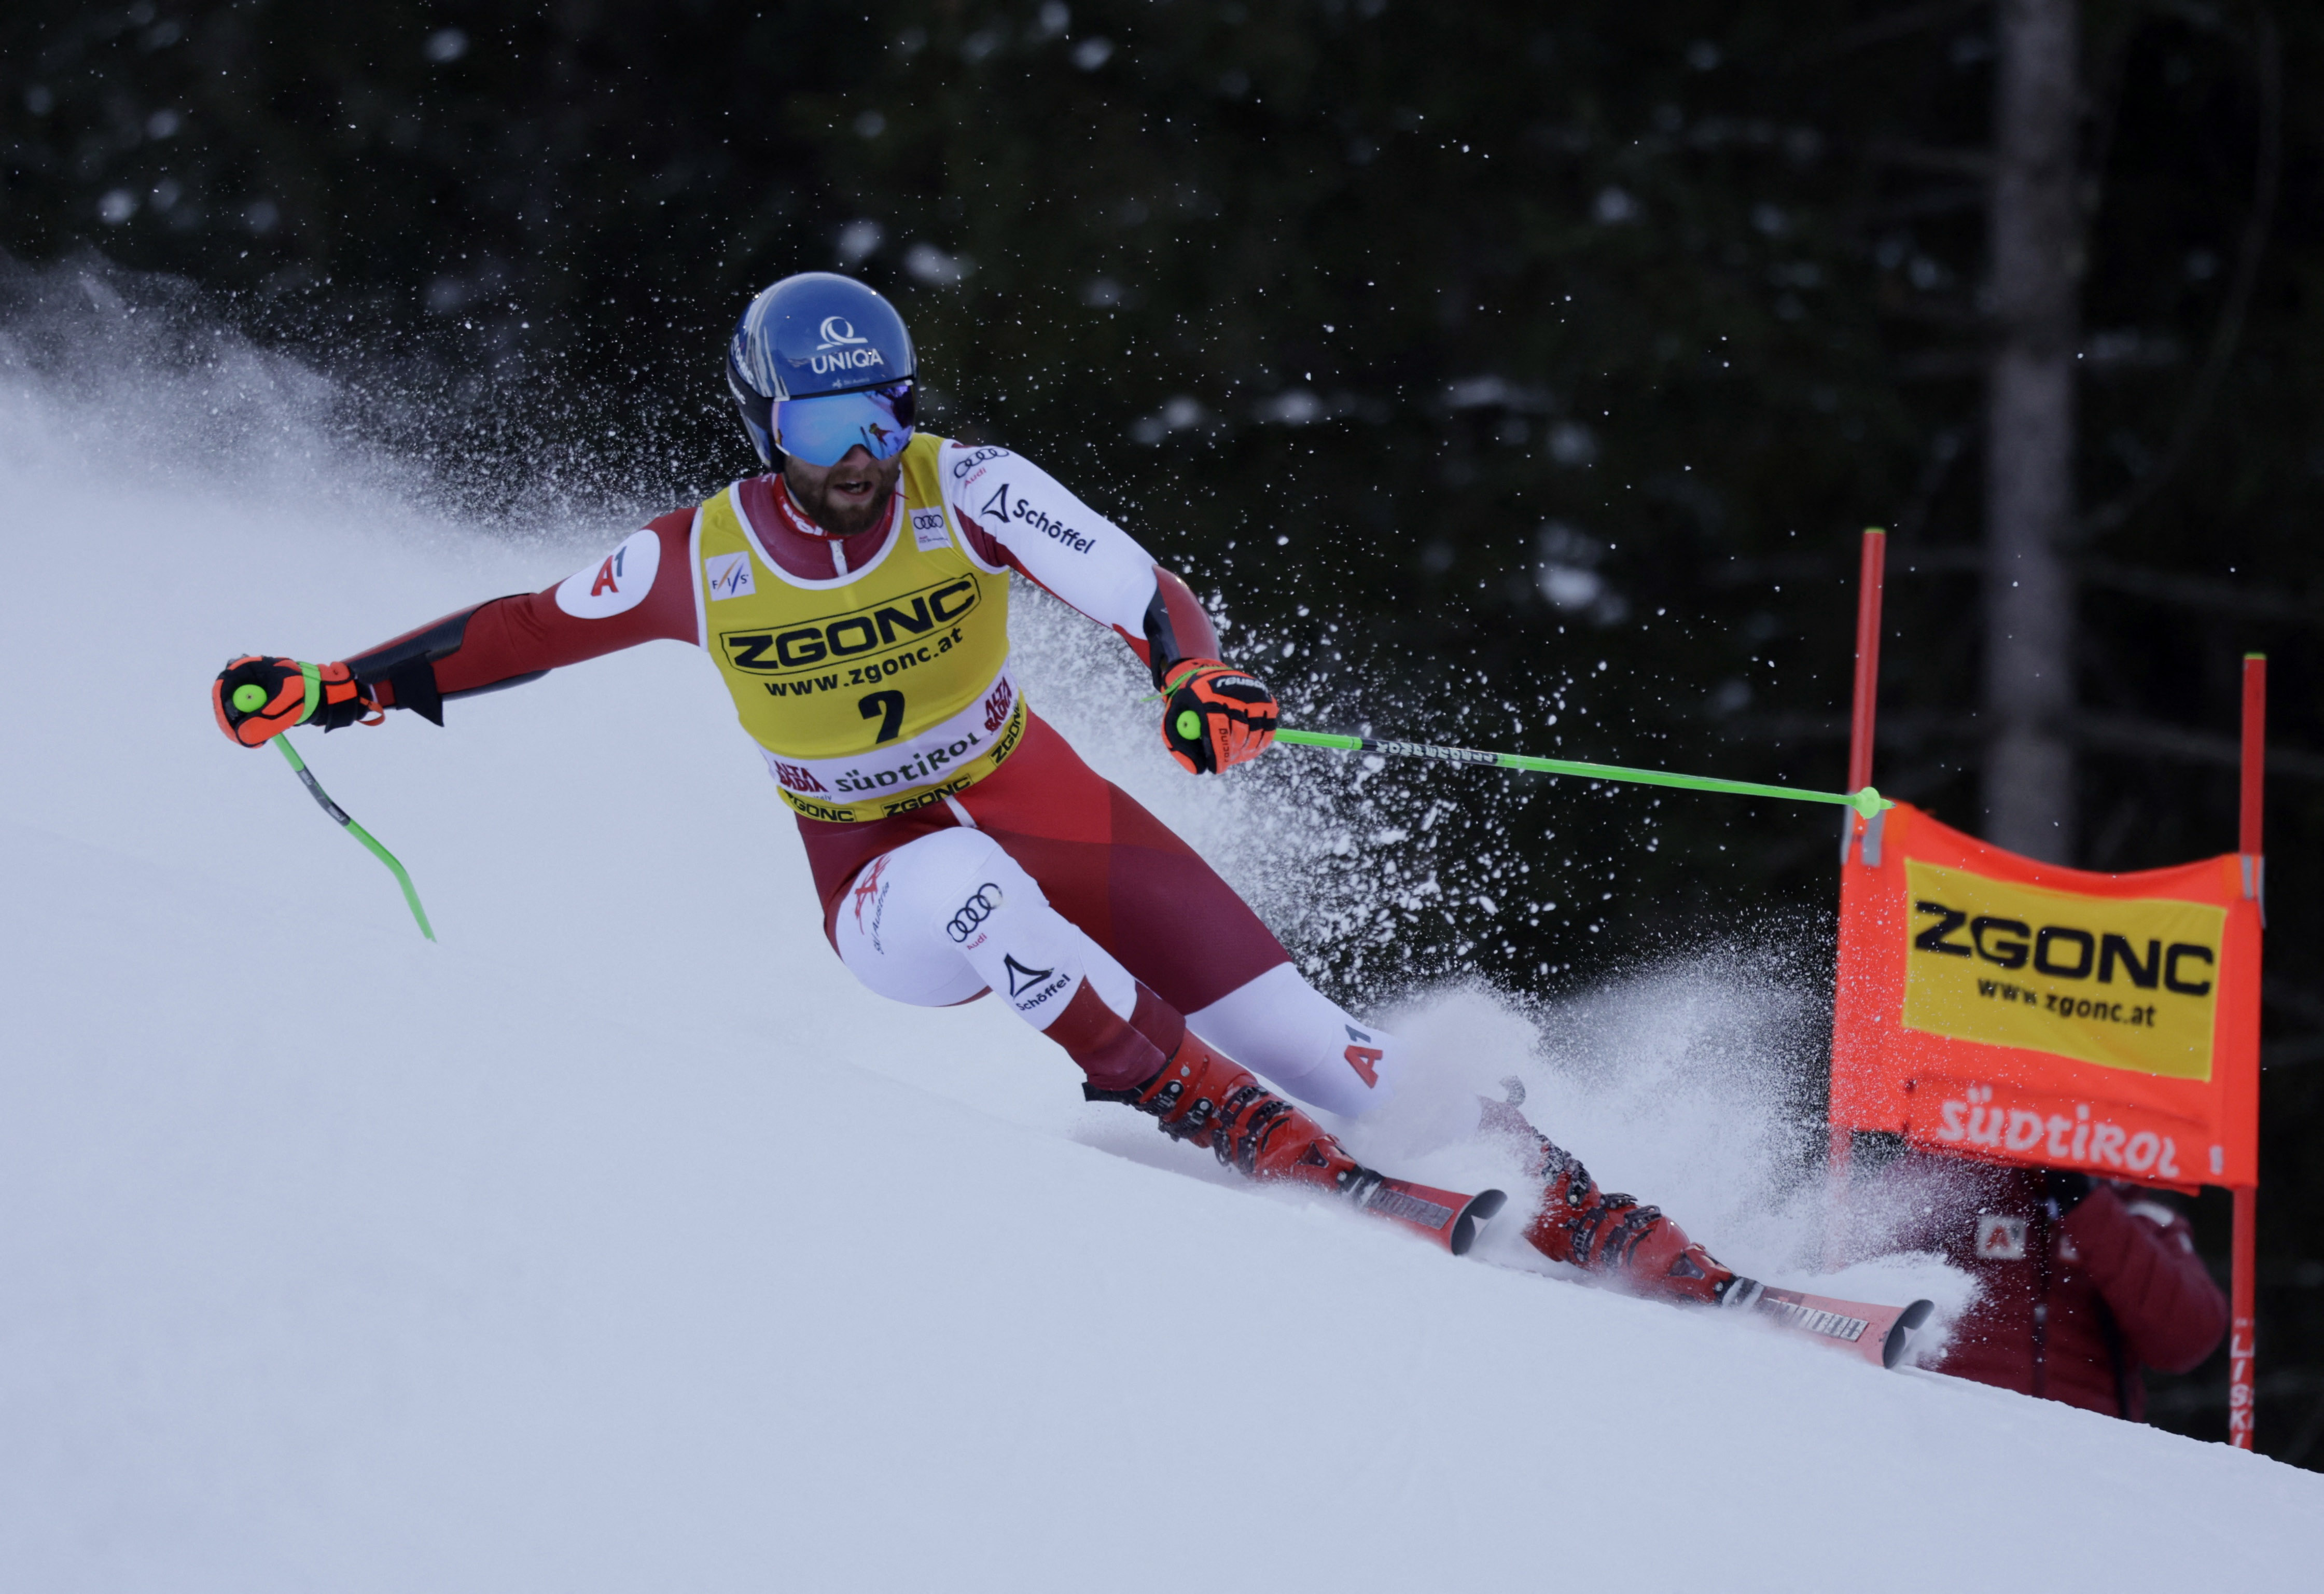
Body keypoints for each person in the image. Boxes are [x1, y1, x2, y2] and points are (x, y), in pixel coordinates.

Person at [211, 270, 1750, 1306]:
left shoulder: (969, 486)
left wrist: (1186, 679)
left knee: (1318, 1033)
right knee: (973, 890)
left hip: (1038, 789)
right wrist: (339, 687)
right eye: (823, 426)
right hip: (878, 873)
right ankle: (1214, 1120)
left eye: (878, 412)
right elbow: (528, 630)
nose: (860, 454)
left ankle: (1607, 1221)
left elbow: (1138, 587)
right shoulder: (704, 556)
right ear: (765, 425)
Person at [1856, 1146, 2227, 1417]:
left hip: (2085, 1464)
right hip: (1944, 1434)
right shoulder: (1951, 1177)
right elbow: (1847, 1259)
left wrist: (2085, 1202)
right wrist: (1966, 1157)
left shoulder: (2137, 1213)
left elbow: (2188, 1336)